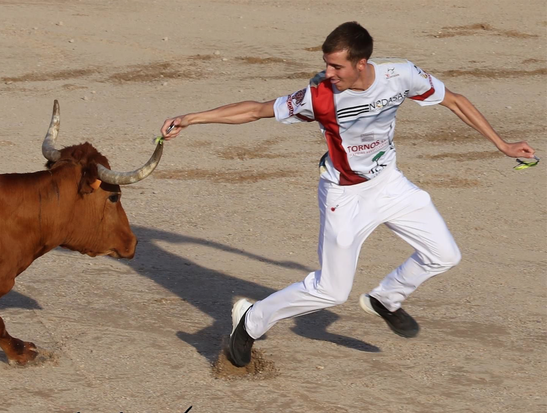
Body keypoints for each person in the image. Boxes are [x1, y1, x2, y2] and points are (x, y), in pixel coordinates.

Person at [159, 21, 536, 367]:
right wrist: (192, 118)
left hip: (390, 184)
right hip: (345, 195)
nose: (328, 73)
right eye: (326, 65)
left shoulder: (400, 74)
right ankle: (251, 321)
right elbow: (257, 111)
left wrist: (502, 145)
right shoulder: (319, 95)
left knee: (445, 254)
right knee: (331, 291)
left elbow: (455, 100)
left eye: (337, 67)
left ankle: (385, 298)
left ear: (361, 63)